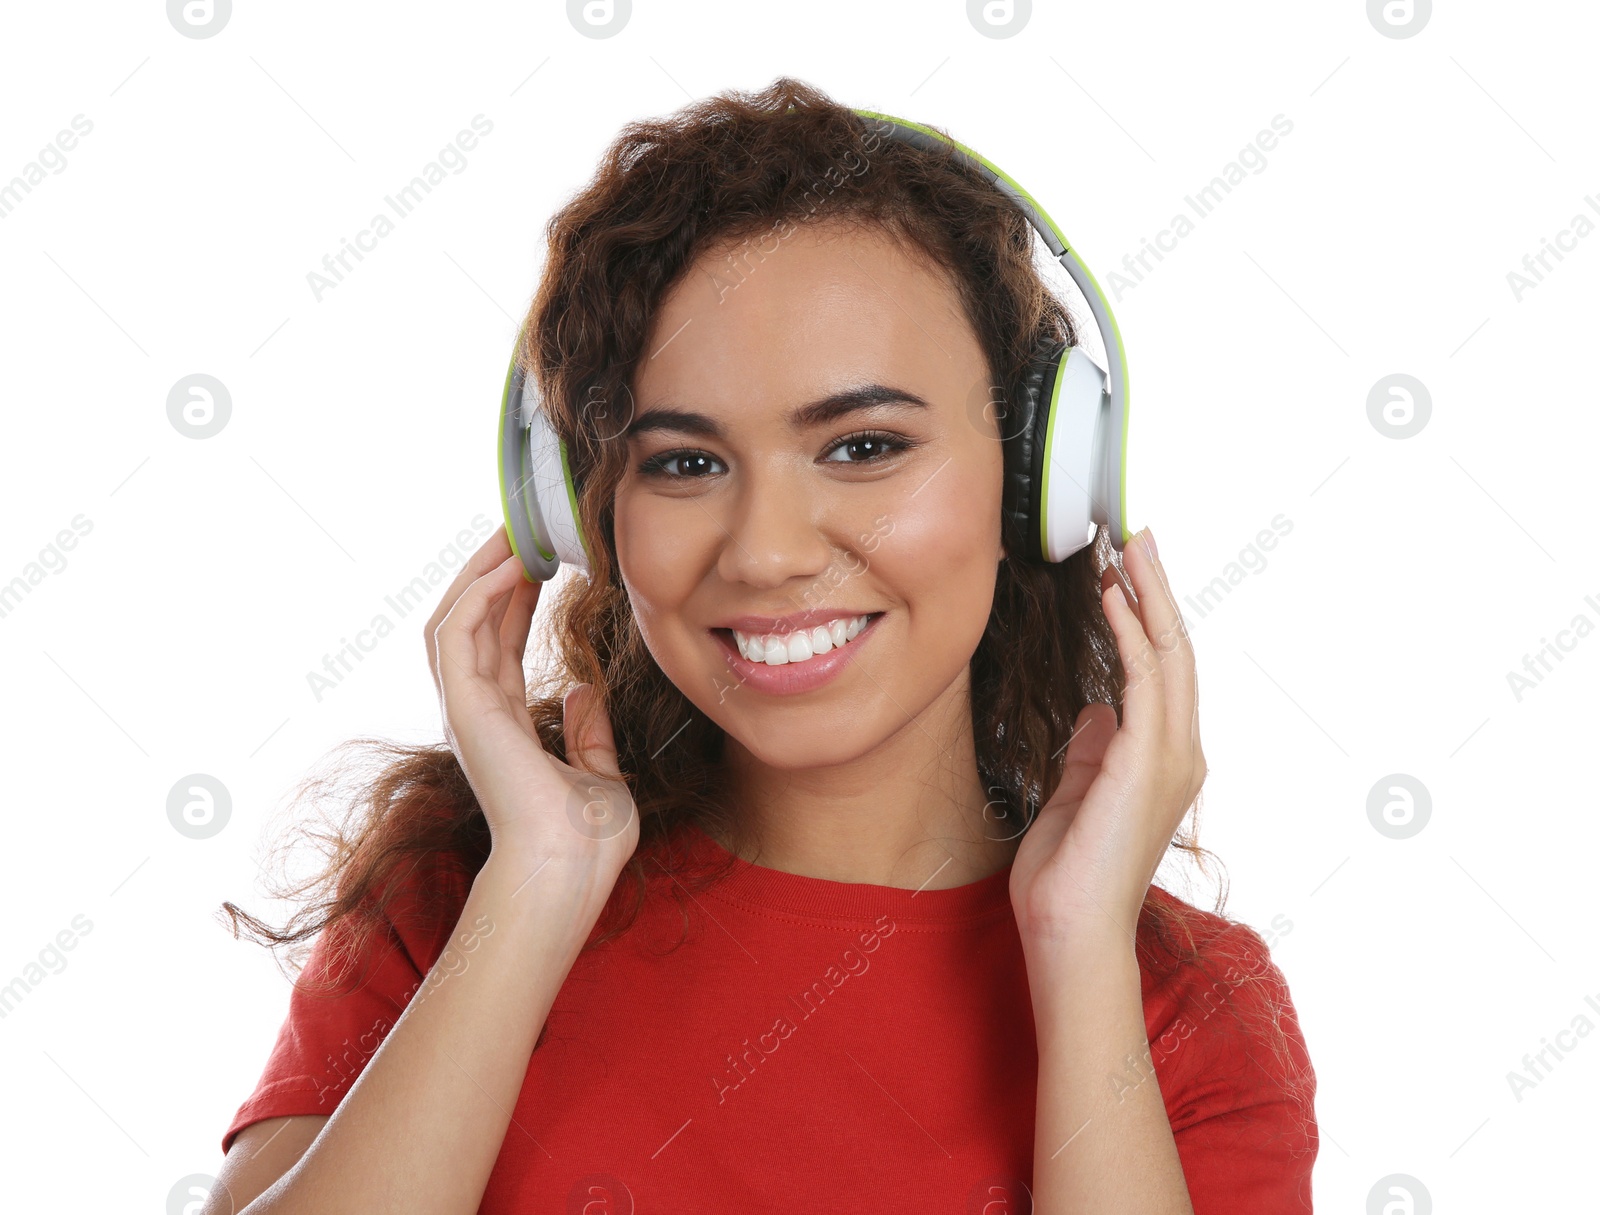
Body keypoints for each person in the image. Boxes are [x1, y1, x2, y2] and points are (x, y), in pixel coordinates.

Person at [205, 76, 1317, 1214]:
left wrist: (1081, 952)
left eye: (864, 445)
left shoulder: (1188, 1006)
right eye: (683, 462)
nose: (767, 553)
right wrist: (533, 889)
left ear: (1039, 473)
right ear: (585, 512)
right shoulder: (455, 896)